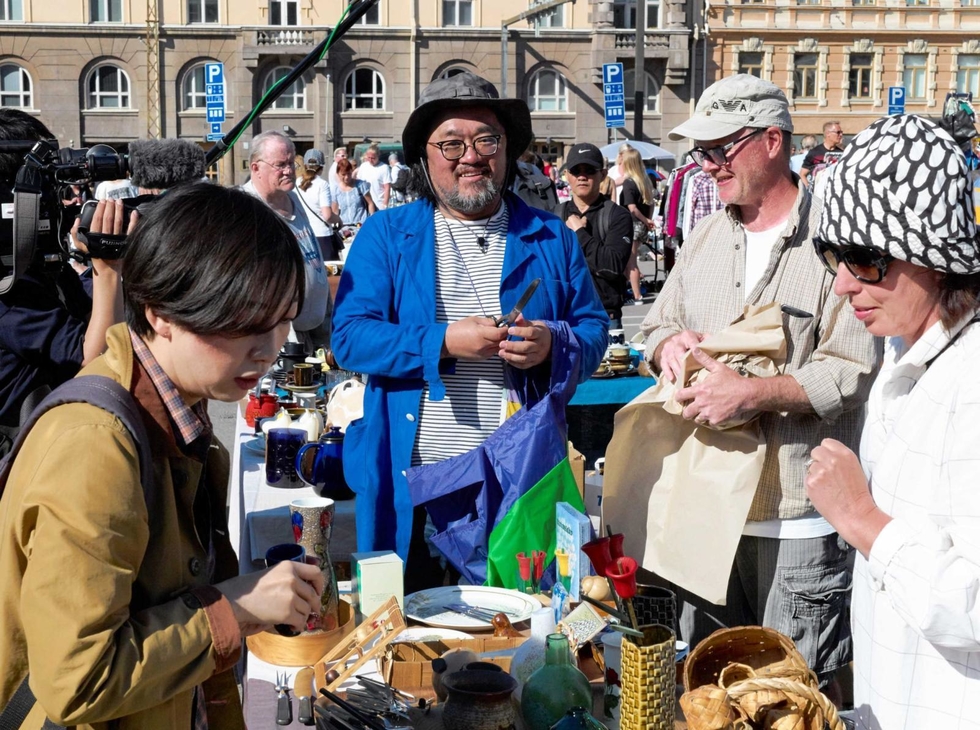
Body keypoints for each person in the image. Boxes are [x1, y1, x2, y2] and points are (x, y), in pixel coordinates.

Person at [0, 182, 325, 728]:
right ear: (159, 313)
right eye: (243, 321)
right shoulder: (96, 445)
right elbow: (78, 679)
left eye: (284, 318)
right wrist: (237, 607)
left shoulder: (176, 410)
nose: (269, 348)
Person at [640, 74, 878, 690]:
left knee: (788, 696)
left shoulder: (835, 233)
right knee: (708, 692)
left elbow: (852, 368)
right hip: (709, 505)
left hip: (796, 513)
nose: (708, 165)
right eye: (702, 151)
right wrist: (669, 345)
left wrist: (753, 394)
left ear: (772, 141)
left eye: (721, 149)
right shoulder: (708, 235)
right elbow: (658, 321)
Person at [331, 71, 608, 591]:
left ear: (506, 152)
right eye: (452, 143)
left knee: (516, 636)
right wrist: (441, 342)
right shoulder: (387, 235)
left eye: (486, 140)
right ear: (425, 156)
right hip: (418, 482)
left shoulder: (550, 237)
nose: (471, 156)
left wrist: (552, 342)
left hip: (517, 480)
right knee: (414, 645)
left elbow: (593, 330)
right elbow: (348, 336)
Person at [805, 114, 980, 729]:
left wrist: (863, 520)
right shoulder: (906, 349)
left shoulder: (972, 379)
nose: (844, 284)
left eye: (868, 258)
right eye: (834, 256)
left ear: (934, 255)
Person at [0, 110, 131, 451]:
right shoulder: (8, 287)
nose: (64, 198)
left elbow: (83, 314)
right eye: (48, 183)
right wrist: (108, 267)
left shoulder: (34, 266)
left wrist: (102, 267)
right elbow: (97, 358)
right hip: (32, 463)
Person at [243, 130, 331, 351]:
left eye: (292, 163)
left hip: (318, 323)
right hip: (283, 336)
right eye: (280, 165)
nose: (289, 171)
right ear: (256, 167)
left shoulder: (292, 197)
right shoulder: (248, 210)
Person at [556, 143, 634, 328]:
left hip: (604, 316)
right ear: (567, 175)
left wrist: (579, 233)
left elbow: (613, 267)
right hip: (563, 316)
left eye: (589, 170)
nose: (582, 177)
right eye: (576, 171)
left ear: (603, 175)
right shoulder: (555, 216)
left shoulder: (617, 215)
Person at [619, 145, 657, 305]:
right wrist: (648, 219)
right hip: (641, 226)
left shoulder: (629, 183)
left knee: (631, 262)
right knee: (631, 261)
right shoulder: (645, 180)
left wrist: (645, 220)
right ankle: (635, 292)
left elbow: (632, 208)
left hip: (633, 224)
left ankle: (636, 296)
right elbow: (651, 203)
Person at [297, 148, 342, 260]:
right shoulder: (322, 184)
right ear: (321, 167)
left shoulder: (296, 183)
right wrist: (338, 220)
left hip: (303, 235)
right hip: (321, 234)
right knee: (329, 272)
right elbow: (327, 215)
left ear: (305, 165)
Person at [330, 158, 375, 225]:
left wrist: (372, 220)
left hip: (361, 225)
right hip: (344, 227)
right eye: (343, 174)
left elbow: (370, 203)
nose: (347, 177)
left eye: (349, 173)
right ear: (338, 174)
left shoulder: (360, 185)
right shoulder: (336, 189)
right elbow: (335, 211)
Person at [800, 121, 844, 186]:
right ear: (828, 134)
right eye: (838, 132)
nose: (841, 135)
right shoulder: (814, 152)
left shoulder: (842, 154)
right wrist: (809, 191)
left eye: (841, 132)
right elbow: (802, 174)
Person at [356, 144, 392, 211]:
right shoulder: (363, 166)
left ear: (378, 156)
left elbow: (387, 188)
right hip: (364, 204)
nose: (370, 160)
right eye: (368, 157)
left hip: (378, 204)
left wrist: (385, 204)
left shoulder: (384, 168)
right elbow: (358, 182)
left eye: (373, 158)